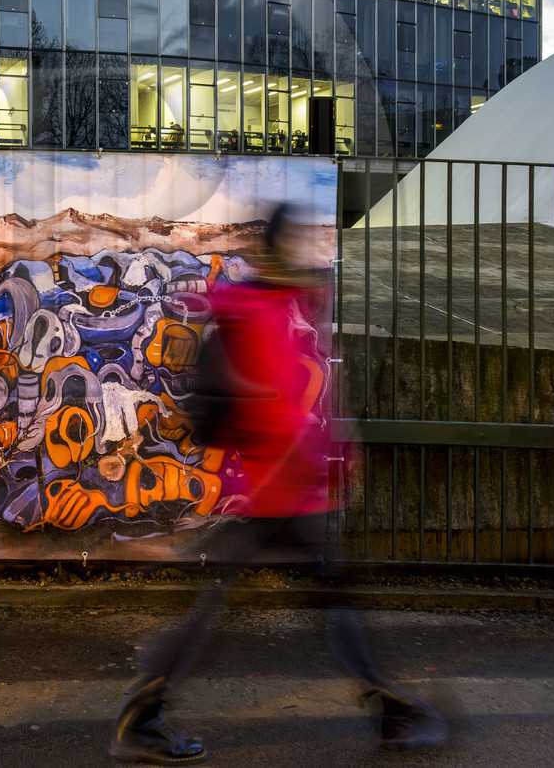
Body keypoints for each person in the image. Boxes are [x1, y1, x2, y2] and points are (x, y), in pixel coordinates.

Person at [109, 202, 446, 765]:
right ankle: (394, 713)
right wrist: (313, 463)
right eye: (301, 245)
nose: (310, 256)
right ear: (279, 250)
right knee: (302, 599)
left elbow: (299, 396)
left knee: (254, 600)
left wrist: (333, 453)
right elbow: (275, 410)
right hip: (280, 491)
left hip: (283, 491)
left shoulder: (278, 307)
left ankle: (141, 718)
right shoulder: (261, 313)